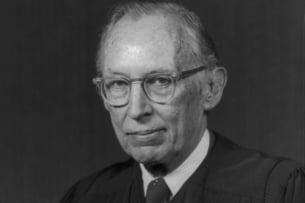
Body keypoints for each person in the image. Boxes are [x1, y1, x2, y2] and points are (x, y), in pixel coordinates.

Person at [60, 1, 304, 202]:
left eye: (160, 81)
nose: (136, 110)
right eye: (119, 84)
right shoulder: (86, 197)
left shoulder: (276, 190)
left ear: (211, 88)